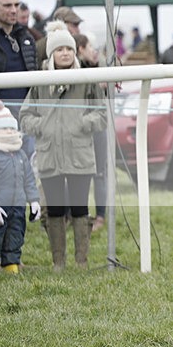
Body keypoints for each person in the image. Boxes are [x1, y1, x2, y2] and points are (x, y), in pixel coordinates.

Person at [19, 21, 107, 270]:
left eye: (69, 49)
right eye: (59, 50)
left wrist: (81, 123)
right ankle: (58, 262)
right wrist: (43, 127)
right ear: (51, 54)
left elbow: (101, 115)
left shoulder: (87, 80)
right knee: (55, 210)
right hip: (50, 155)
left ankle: (81, 262)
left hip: (79, 154)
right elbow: (25, 117)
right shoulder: (39, 84)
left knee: (80, 208)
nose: (65, 53)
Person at [0, 100, 40, 274]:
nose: (9, 132)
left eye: (11, 128)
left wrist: (34, 200)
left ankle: (11, 265)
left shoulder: (21, 154)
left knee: (15, 235)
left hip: (18, 207)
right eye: (3, 128)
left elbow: (28, 179)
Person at [74, 33, 107, 232]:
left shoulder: (98, 67)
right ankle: (80, 216)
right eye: (90, 47)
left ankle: (100, 216)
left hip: (96, 129)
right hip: (79, 131)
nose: (94, 51)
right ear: (80, 49)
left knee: (99, 173)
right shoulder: (73, 72)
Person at [0, 0, 39, 119]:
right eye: (7, 5)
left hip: (27, 115)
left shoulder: (26, 37)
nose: (14, 10)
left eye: (16, 5)